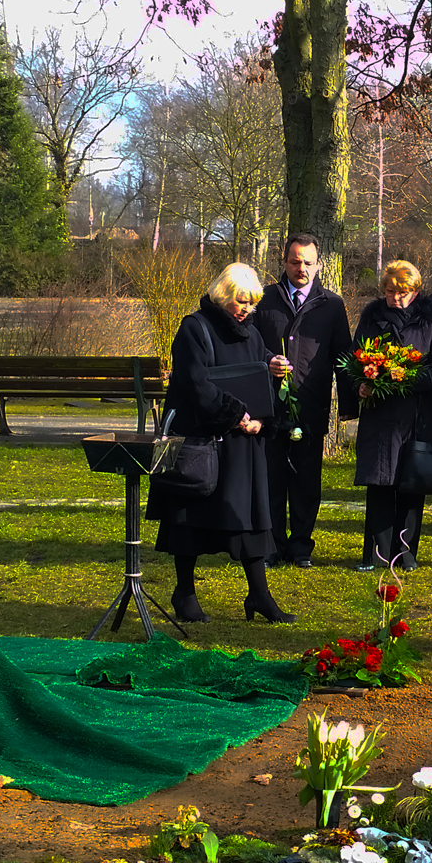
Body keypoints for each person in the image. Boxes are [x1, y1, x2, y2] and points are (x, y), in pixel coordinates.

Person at [155, 262, 294, 624]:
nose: (247, 309)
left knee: (250, 519)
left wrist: (268, 387)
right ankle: (184, 593)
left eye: (252, 302)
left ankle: (260, 595)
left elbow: (256, 372)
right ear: (223, 295)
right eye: (240, 301)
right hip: (202, 442)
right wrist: (236, 415)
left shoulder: (252, 333)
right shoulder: (194, 327)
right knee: (189, 520)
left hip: (242, 445)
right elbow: (194, 383)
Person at [349, 260, 432, 572]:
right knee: (380, 484)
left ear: (415, 291)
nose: (396, 298)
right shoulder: (371, 318)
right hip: (380, 416)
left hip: (417, 416)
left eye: (403, 292)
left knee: (411, 484)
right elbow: (353, 361)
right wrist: (361, 385)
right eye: (390, 292)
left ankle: (406, 554)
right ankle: (376, 554)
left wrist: (407, 377)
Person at [255, 234, 352, 569]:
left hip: (311, 405)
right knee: (271, 480)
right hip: (269, 406)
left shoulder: (332, 305)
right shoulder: (265, 299)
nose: (302, 268)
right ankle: (271, 547)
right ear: (284, 262)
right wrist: (267, 360)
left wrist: (350, 404)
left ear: (318, 265)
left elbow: (343, 355)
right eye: (295, 262)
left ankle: (300, 548)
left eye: (308, 262)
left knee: (306, 482)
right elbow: (249, 344)